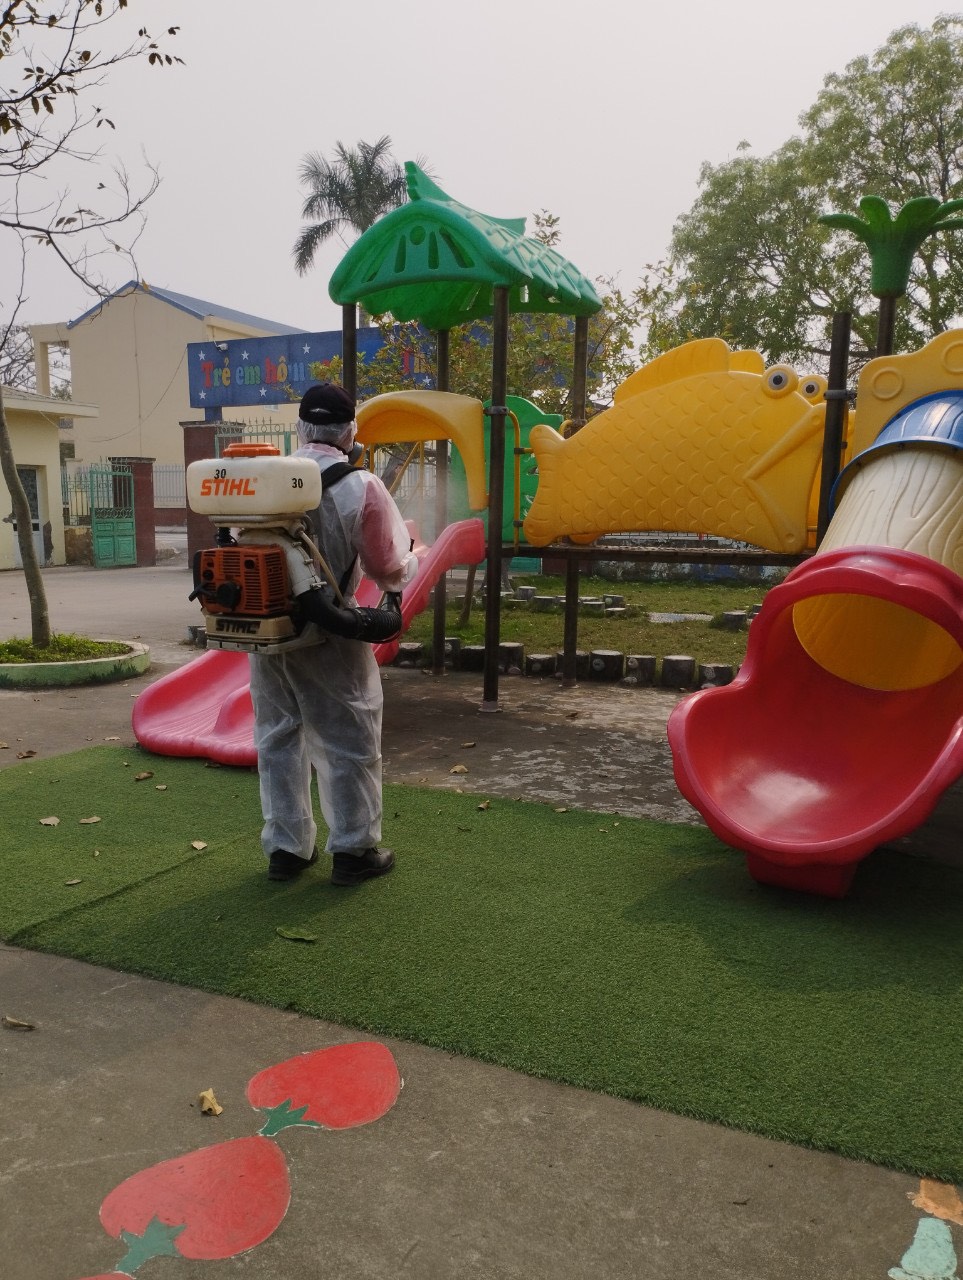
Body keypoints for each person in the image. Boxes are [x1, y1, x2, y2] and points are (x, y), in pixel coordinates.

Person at [248, 382, 418, 885]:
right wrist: (412, 555)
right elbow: (388, 568)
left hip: (266, 629)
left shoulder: (263, 479)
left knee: (278, 737)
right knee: (349, 739)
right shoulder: (361, 485)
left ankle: (286, 850)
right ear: (350, 432)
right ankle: (354, 851)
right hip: (331, 635)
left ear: (300, 428)